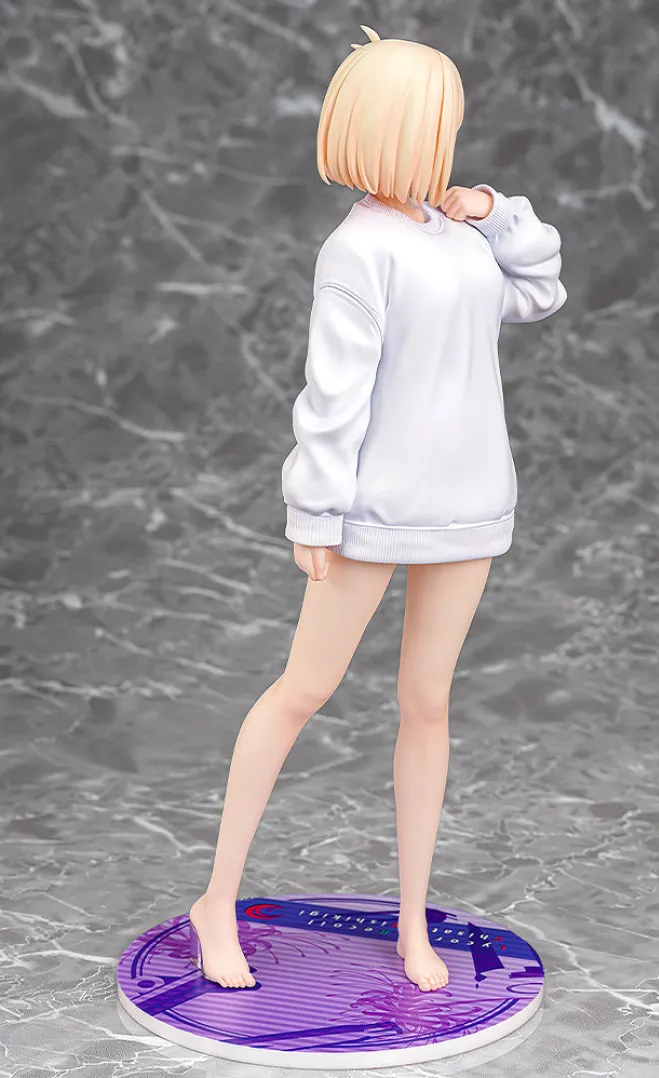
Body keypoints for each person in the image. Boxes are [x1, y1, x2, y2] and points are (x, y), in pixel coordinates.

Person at [189, 24, 566, 993]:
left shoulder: (459, 239)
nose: (449, 140)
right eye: (438, 123)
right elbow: (333, 393)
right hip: (371, 507)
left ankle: (410, 920)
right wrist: (314, 510)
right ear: (399, 129)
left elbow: (539, 288)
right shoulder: (356, 250)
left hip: (469, 502)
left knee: (427, 703)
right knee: (302, 689)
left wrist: (493, 210)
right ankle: (215, 899)